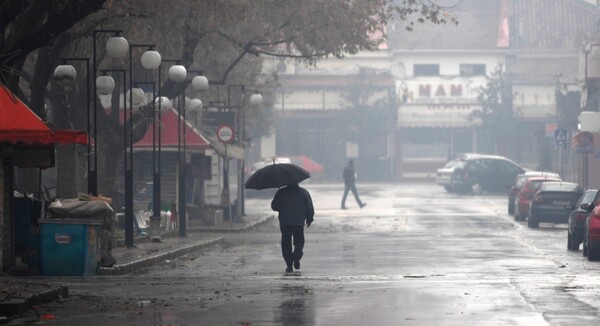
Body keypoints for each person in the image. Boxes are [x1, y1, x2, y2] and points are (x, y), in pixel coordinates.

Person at [271, 183, 314, 273]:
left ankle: (289, 265)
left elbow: (274, 207)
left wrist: (280, 201)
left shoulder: (281, 192)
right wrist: (309, 218)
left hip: (285, 222)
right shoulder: (304, 192)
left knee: (286, 244)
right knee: (299, 241)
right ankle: (296, 256)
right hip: (298, 222)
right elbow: (309, 207)